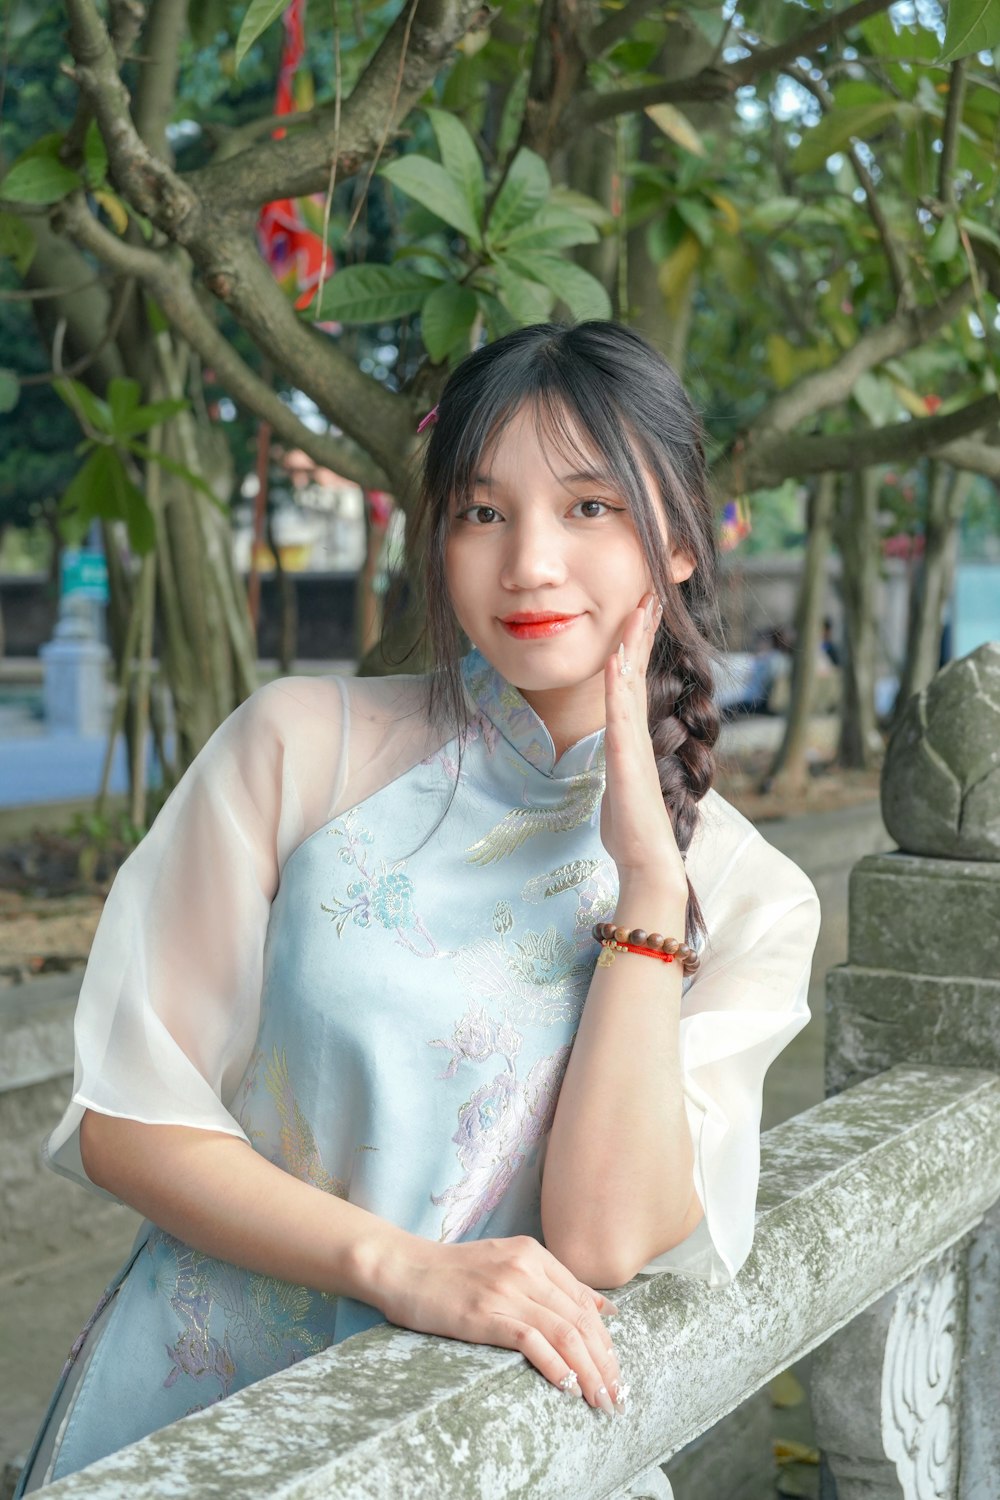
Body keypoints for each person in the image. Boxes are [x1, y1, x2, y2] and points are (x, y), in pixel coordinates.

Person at [18, 322, 820, 1491]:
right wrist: (398, 1267)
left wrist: (649, 890)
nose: (530, 562)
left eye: (589, 508)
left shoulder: (748, 897)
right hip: (205, 1409)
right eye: (482, 512)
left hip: (494, 1446)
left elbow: (600, 1237)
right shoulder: (300, 745)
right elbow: (125, 1116)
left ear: (680, 541)